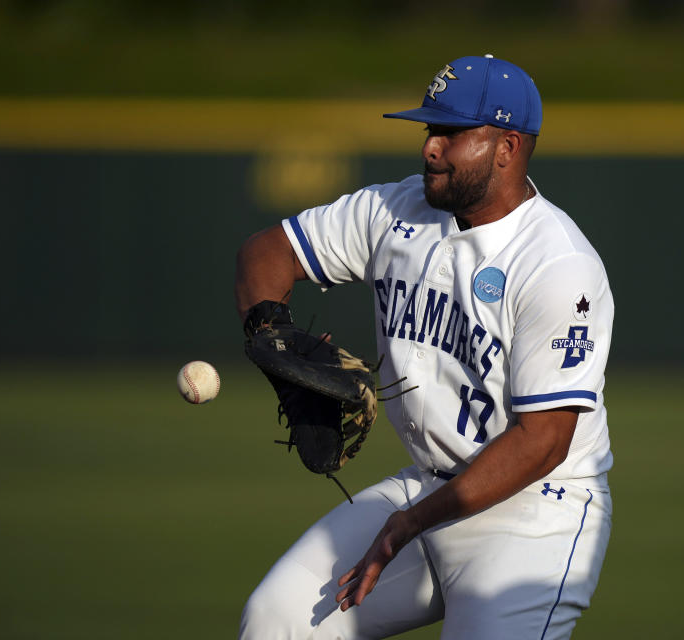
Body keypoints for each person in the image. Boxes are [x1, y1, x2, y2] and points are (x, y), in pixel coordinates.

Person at [235, 54, 615, 640]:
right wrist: (269, 329)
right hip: (428, 486)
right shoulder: (395, 209)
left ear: (507, 147)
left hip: (537, 514)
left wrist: (408, 523)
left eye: (452, 133)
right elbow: (268, 250)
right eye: (429, 130)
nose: (430, 147)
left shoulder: (557, 264)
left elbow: (544, 442)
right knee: (275, 620)